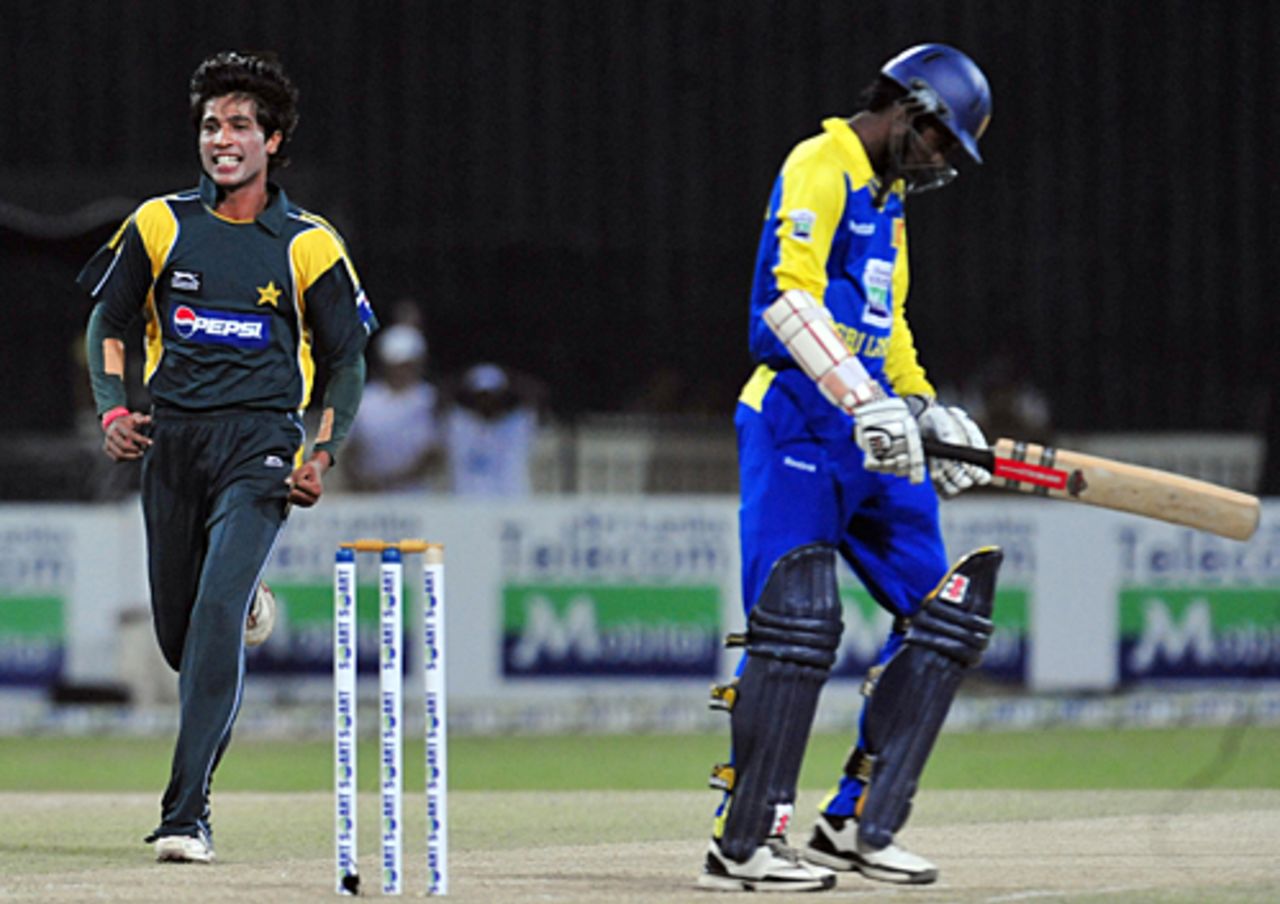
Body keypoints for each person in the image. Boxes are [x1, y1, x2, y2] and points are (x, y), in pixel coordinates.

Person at [699, 44, 1003, 892]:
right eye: (941, 141)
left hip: (874, 433)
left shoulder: (890, 201)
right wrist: (860, 399)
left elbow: (887, 320)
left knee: (949, 620)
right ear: (908, 109)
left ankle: (856, 822)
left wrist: (923, 406)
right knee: (795, 628)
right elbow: (785, 297)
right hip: (799, 420)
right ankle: (743, 844)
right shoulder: (821, 161)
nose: (942, 162)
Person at [77, 50, 376, 864]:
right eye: (212, 125)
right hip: (172, 439)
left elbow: (347, 360)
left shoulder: (310, 243)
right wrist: (113, 408)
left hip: (262, 446)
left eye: (240, 124)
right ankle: (242, 605)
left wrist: (323, 450)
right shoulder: (158, 223)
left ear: (273, 140)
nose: (222, 138)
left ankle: (186, 813)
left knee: (210, 624)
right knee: (183, 638)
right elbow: (107, 324)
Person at [344, 322, 444, 492]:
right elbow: (350, 450)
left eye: (407, 365)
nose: (402, 372)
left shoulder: (431, 399)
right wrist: (360, 481)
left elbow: (434, 454)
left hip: (416, 496)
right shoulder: (365, 400)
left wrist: (392, 481)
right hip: (369, 495)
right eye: (396, 365)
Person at [443, 363, 541, 496]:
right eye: (481, 396)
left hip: (512, 504)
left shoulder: (518, 425)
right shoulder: (458, 426)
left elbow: (535, 393)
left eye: (491, 395)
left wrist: (510, 376)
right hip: (466, 505)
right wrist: (461, 379)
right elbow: (442, 397)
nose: (486, 401)